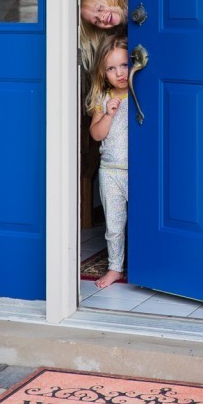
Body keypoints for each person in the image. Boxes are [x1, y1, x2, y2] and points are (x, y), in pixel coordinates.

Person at [88, 34, 130, 289]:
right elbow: (96, 135)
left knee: (145, 222)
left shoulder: (141, 94)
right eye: (111, 68)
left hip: (140, 172)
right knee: (114, 225)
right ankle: (115, 267)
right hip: (111, 172)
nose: (119, 73)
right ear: (103, 74)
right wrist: (107, 115)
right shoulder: (103, 100)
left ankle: (150, 265)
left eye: (124, 65)